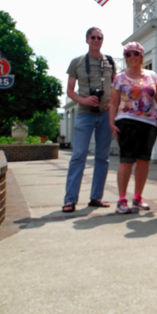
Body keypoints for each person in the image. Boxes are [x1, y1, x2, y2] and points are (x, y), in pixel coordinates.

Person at [62, 27, 115, 213]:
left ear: (102, 39)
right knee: (78, 157)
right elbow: (69, 90)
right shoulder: (76, 62)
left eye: (99, 37)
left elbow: (115, 86)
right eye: (93, 37)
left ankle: (96, 198)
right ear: (87, 39)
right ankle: (70, 200)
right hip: (85, 113)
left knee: (102, 158)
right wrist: (84, 100)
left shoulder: (109, 62)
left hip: (105, 113)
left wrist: (113, 104)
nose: (96, 40)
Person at [109, 42, 157, 214]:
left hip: (149, 122)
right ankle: (122, 199)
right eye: (128, 54)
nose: (132, 57)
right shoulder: (120, 78)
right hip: (126, 121)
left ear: (141, 56)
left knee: (144, 161)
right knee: (127, 160)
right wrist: (112, 123)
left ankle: (138, 197)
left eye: (136, 53)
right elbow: (114, 102)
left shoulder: (152, 76)